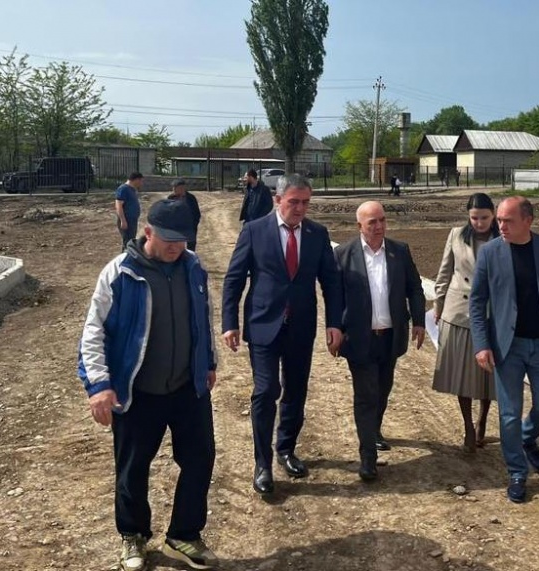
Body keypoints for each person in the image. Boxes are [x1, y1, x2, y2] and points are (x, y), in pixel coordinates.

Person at [78, 198, 219, 570]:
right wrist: (99, 385)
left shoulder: (193, 266)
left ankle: (183, 535)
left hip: (187, 387)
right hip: (138, 391)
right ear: (148, 232)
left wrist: (208, 361)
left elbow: (203, 316)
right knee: (133, 467)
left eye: (182, 240)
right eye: (169, 239)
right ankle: (133, 534)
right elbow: (93, 331)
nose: (176, 247)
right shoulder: (120, 272)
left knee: (200, 458)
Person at [221, 173, 344, 496]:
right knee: (266, 391)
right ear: (277, 200)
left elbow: (331, 282)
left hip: (301, 326)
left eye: (305, 202)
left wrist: (335, 323)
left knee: (296, 390)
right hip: (263, 324)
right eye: (293, 202)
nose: (300, 208)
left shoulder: (317, 234)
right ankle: (262, 464)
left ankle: (286, 449)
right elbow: (234, 279)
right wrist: (229, 322)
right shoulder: (254, 231)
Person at [468, 196, 539, 504]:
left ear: (528, 221)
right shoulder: (490, 253)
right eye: (499, 220)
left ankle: (527, 437)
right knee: (509, 414)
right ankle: (517, 472)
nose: (501, 226)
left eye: (507, 221)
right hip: (507, 347)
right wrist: (481, 344)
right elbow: (477, 301)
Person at [334, 201, 426, 481]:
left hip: (390, 337)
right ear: (359, 225)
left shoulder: (399, 251)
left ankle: (374, 430)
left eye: (382, 220)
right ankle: (368, 457)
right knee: (366, 396)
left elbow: (415, 288)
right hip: (358, 338)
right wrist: (334, 329)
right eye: (372, 222)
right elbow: (334, 297)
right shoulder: (343, 255)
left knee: (383, 390)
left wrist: (419, 321)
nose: (379, 226)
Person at [432, 193, 500, 453]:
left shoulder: (503, 238)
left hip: (491, 314)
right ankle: (468, 426)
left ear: (493, 214)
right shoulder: (456, 235)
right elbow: (445, 271)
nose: (479, 223)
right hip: (459, 312)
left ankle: (483, 420)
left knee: (487, 376)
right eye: (474, 218)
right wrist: (438, 304)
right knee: (462, 375)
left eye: (484, 218)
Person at [167, 178, 200, 251]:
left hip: (190, 226)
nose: (173, 190)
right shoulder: (171, 198)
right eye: (173, 188)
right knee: (176, 246)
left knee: (191, 246)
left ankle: (189, 257)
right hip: (176, 227)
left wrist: (194, 224)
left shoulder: (191, 198)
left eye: (175, 188)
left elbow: (196, 213)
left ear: (182, 188)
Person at [115, 172, 144, 250]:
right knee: (127, 243)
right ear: (136, 180)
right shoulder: (123, 189)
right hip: (127, 220)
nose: (141, 183)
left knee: (130, 241)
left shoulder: (132, 189)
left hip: (132, 220)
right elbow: (118, 205)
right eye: (141, 181)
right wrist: (123, 220)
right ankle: (125, 256)